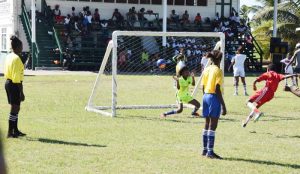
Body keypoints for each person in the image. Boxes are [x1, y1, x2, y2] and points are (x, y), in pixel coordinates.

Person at [201, 50, 226, 159]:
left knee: (207, 123)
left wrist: (206, 97)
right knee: (213, 125)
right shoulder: (218, 71)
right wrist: (223, 106)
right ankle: (210, 152)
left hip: (205, 96)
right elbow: (217, 88)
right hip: (213, 97)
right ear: (220, 59)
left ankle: (204, 150)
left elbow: (203, 86)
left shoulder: (207, 69)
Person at [4, 36, 26, 138]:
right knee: (14, 108)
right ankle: (10, 132)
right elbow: (17, 78)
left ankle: (15, 130)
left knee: (16, 108)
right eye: (21, 46)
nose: (22, 48)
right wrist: (21, 92)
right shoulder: (17, 58)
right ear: (17, 47)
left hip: (8, 83)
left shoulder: (9, 56)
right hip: (14, 84)